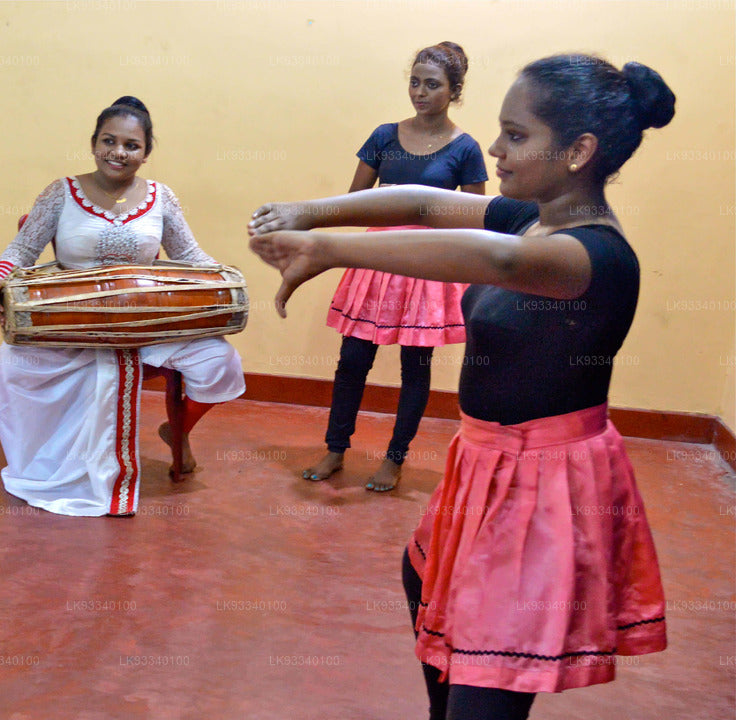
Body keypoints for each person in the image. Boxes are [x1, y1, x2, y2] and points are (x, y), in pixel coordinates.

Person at [249, 54, 672, 720]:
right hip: (486, 463)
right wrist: (310, 211)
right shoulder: (528, 216)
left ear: (578, 151)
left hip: (544, 486)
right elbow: (421, 202)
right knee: (423, 581)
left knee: (488, 672)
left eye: (517, 135)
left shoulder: (591, 254)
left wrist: (331, 251)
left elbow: (496, 261)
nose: (496, 149)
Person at [0, 96, 244, 517]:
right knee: (12, 361)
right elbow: (22, 248)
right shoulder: (61, 193)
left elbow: (191, 255)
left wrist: (228, 280)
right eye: (109, 141)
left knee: (220, 361)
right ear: (93, 144)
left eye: (131, 145)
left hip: (146, 325)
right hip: (73, 322)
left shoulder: (162, 198)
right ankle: (47, 462)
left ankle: (177, 433)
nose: (118, 153)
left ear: (146, 153)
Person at [305, 42, 488, 492]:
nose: (420, 92)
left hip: (427, 264)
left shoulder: (466, 147)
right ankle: (335, 448)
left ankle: (395, 459)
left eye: (432, 84)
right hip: (377, 260)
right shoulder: (384, 136)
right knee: (352, 360)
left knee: (415, 365)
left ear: (454, 90)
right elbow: (354, 204)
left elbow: (477, 216)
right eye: (414, 82)